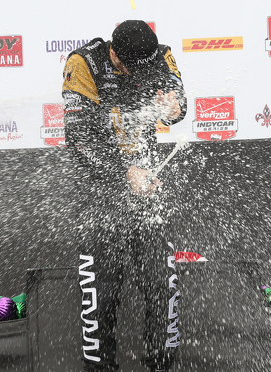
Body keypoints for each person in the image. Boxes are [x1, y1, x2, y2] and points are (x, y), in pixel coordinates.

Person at [62, 20, 186, 371]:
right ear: (115, 54)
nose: (137, 76)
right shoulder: (83, 63)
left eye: (143, 70)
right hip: (100, 192)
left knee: (162, 286)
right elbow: (79, 139)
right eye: (129, 69)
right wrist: (123, 172)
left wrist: (174, 109)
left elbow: (180, 103)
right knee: (101, 294)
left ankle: (162, 364)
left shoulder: (158, 56)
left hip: (146, 190)